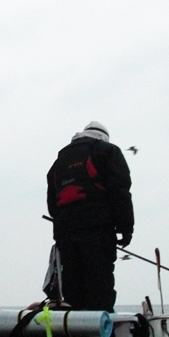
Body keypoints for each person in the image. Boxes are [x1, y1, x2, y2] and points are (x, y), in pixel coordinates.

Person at [46, 121, 133, 313]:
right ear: (104, 137)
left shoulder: (60, 159)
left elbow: (53, 203)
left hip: (65, 234)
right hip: (97, 230)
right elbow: (120, 192)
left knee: (73, 286)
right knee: (99, 284)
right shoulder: (107, 151)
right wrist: (126, 228)